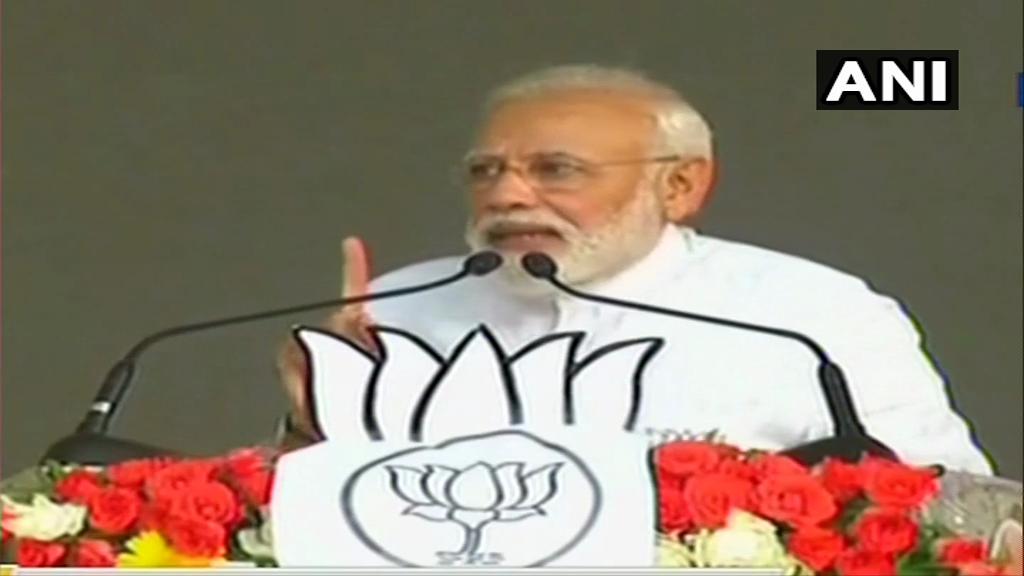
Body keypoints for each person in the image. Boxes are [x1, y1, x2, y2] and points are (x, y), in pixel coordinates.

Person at [276, 64, 992, 475]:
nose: (506, 195)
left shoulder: (811, 313)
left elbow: (949, 504)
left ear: (680, 186)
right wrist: (312, 425)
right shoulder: (400, 307)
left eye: (556, 170)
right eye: (485, 171)